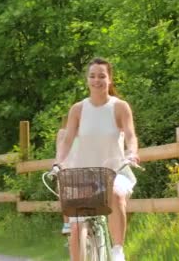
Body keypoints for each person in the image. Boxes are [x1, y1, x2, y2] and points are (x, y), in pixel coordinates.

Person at [54, 57, 140, 261]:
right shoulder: (78, 109)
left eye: (102, 76)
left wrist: (132, 153)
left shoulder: (120, 107)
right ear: (87, 80)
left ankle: (118, 250)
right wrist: (58, 162)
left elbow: (130, 135)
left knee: (116, 194)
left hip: (115, 171)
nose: (97, 80)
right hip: (84, 175)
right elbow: (67, 141)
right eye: (92, 76)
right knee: (75, 225)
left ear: (110, 79)